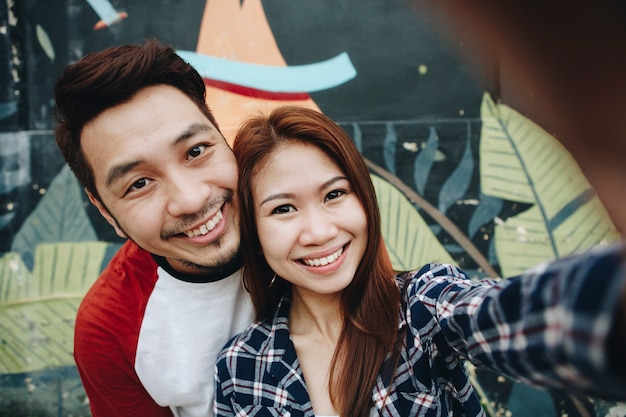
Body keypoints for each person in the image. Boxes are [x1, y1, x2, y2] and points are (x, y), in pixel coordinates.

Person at [214, 105, 626, 417]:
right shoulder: (243, 367)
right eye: (283, 209)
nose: (319, 232)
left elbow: (519, 319)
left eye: (335, 194)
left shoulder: (420, 306)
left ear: (364, 198)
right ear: (253, 229)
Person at [54, 39, 253, 417]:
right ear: (105, 211)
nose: (191, 200)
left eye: (196, 151)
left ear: (224, 140)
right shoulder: (109, 327)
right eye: (139, 184)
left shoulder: (317, 229)